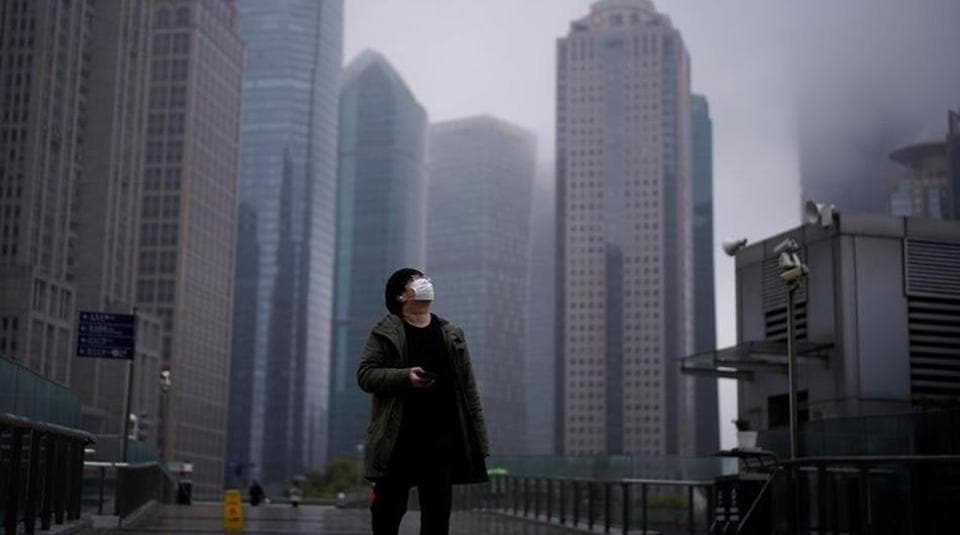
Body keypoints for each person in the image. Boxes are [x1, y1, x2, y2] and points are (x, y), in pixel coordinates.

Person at [358, 268, 489, 535]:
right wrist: (404, 377)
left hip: (441, 441)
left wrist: (480, 441)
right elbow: (365, 375)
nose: (425, 283)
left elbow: (469, 388)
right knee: (386, 516)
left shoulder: (451, 334)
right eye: (415, 280)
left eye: (426, 278)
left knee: (437, 521)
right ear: (400, 295)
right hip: (398, 440)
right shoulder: (385, 331)